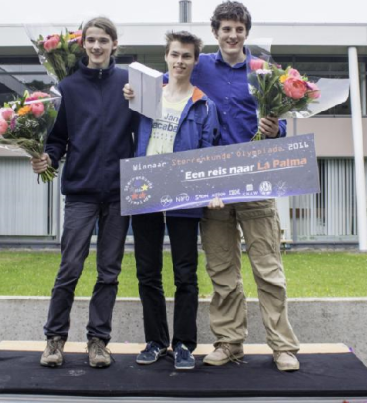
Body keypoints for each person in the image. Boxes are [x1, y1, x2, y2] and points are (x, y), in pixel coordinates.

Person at [124, 0, 301, 372]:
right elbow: (169, 81)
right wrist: (133, 92)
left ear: (246, 33)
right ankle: (229, 342)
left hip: (255, 180)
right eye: (226, 29)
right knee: (222, 272)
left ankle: (282, 347)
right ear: (216, 32)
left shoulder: (264, 72)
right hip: (211, 186)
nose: (232, 35)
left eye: (239, 29)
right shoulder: (199, 65)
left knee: (268, 270)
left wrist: (277, 128)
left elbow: (282, 123)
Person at [32, 16, 138, 369]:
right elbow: (57, 137)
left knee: (109, 271)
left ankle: (98, 342)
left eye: (103, 41)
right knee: (70, 268)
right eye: (91, 40)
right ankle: (54, 339)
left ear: (114, 46)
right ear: (83, 44)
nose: (96, 46)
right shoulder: (68, 87)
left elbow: (149, 129)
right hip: (80, 192)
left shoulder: (129, 83)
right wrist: (47, 158)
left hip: (120, 192)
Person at [132, 31, 220, 371]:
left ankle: (184, 344)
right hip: (145, 189)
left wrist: (212, 190)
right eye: (174, 55)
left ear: (195, 61)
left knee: (186, 273)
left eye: (186, 56)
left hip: (184, 191)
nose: (179, 61)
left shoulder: (204, 104)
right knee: (147, 272)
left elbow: (210, 150)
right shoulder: (144, 96)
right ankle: (156, 341)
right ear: (166, 58)